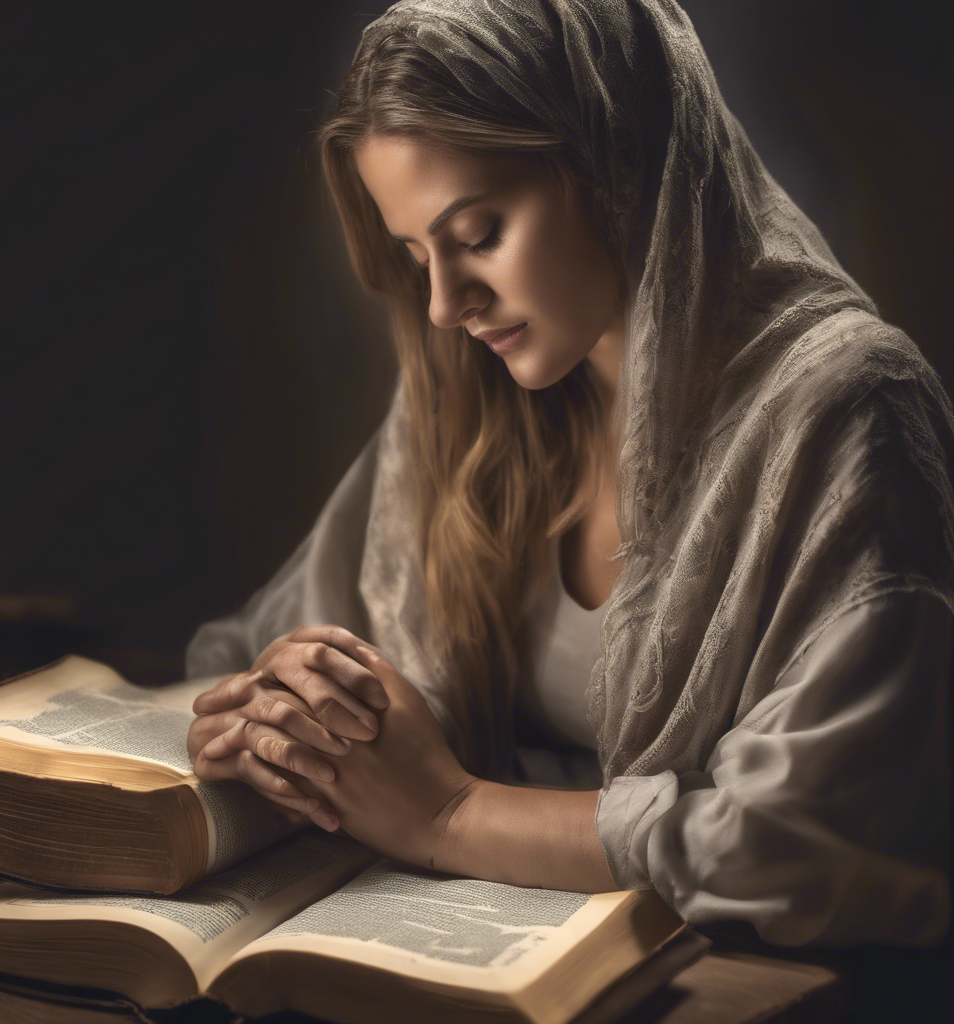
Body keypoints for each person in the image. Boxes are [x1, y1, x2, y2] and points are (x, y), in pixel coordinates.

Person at [184, 0, 953, 947]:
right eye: (415, 254)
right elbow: (270, 636)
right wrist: (286, 711)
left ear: (617, 161)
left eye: (478, 235)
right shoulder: (479, 396)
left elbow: (796, 843)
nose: (443, 305)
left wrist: (450, 814)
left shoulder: (847, 407)